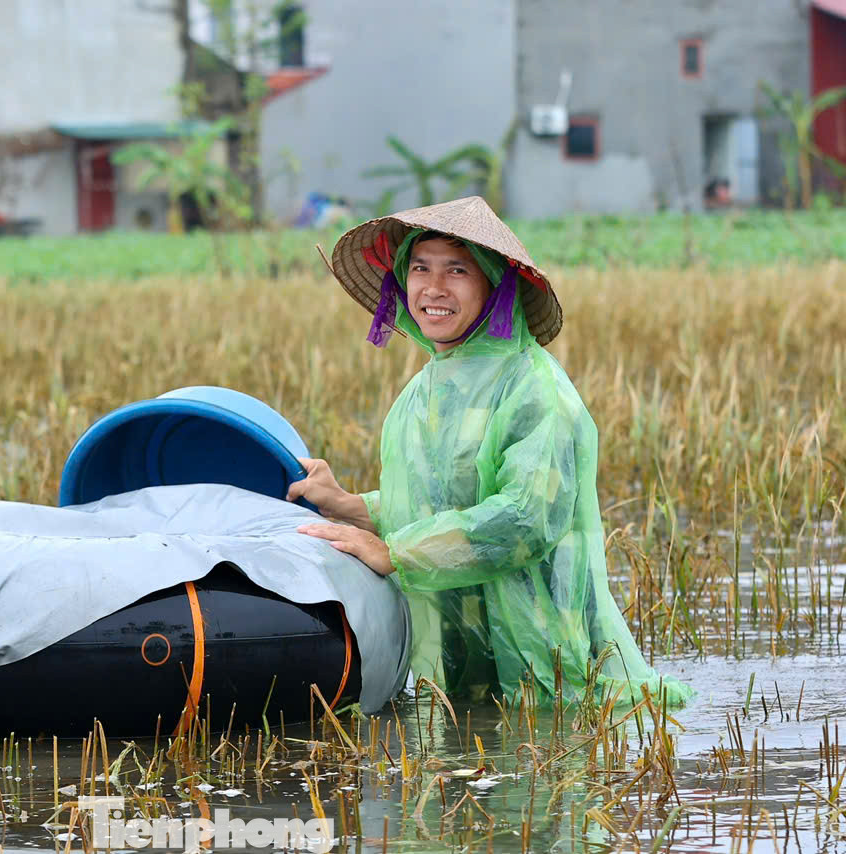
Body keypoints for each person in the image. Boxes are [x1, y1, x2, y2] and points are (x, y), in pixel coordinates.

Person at [287, 196, 691, 706]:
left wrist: (397, 553)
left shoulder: (534, 388)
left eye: (457, 270)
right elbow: (438, 504)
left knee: (542, 769)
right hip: (452, 663)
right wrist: (350, 505)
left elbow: (525, 518)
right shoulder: (424, 393)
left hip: (542, 661)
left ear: (495, 287)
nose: (434, 288)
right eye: (420, 268)